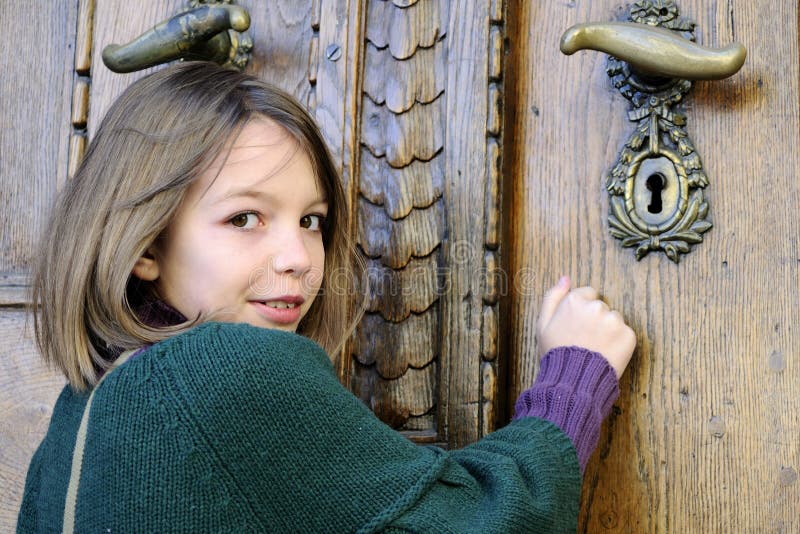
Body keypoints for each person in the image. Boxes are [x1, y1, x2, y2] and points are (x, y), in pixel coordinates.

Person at [17, 61, 636, 533]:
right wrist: (574, 376)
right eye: (245, 219)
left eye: (311, 220)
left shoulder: (80, 410)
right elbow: (490, 521)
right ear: (144, 244)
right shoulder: (225, 374)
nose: (298, 258)